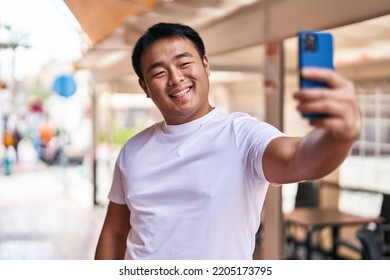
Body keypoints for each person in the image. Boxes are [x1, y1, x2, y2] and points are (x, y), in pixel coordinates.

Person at [95, 22, 361, 260]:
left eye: (184, 63)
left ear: (206, 65)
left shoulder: (242, 135)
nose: (176, 78)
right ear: (145, 87)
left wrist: (339, 136)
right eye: (158, 73)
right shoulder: (133, 150)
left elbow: (299, 158)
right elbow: (115, 233)